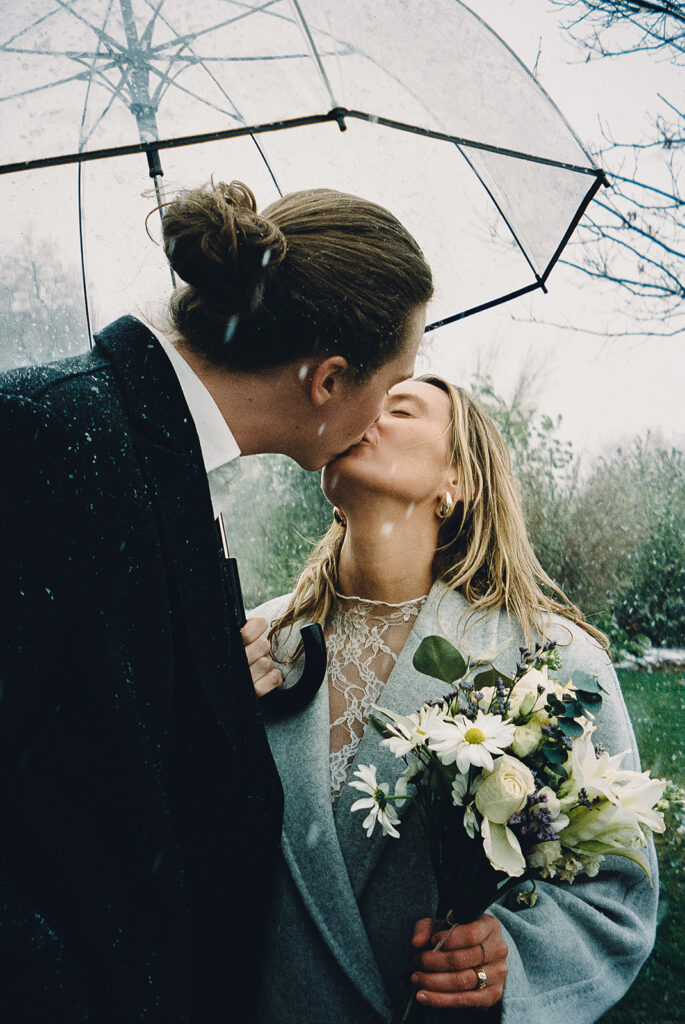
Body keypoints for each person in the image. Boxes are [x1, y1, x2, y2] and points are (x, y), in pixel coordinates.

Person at [0, 180, 432, 1022]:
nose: (382, 416)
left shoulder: (154, 460)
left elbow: (82, 735)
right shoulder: (46, 434)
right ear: (330, 379)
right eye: (395, 383)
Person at [251, 376, 658, 1024]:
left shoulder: (554, 664)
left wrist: (513, 953)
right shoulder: (251, 645)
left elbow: (615, 889)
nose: (363, 410)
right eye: (357, 398)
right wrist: (203, 709)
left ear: (457, 481)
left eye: (398, 407)